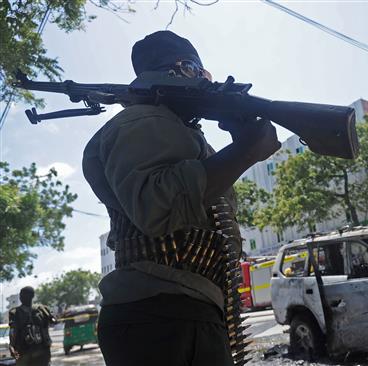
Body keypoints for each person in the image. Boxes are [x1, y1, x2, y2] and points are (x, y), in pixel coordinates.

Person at [82, 31, 281, 365]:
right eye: (201, 72)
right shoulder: (143, 120)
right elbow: (157, 208)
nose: (208, 81)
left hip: (180, 310)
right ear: (183, 69)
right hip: (163, 314)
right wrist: (245, 151)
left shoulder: (175, 129)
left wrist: (239, 141)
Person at [8, 287, 56, 366]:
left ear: (32, 296)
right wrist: (11, 345)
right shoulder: (15, 312)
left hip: (40, 351)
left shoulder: (42, 309)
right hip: (25, 351)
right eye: (21, 295)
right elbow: (13, 330)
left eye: (23, 295)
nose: (21, 297)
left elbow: (53, 321)